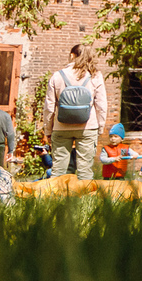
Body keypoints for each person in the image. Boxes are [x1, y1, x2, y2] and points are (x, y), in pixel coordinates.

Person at [43, 44, 106, 180]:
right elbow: (101, 105)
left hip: (61, 127)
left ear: (72, 56)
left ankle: (55, 199)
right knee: (85, 171)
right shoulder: (95, 76)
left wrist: (48, 130)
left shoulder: (57, 76)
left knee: (58, 170)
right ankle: (85, 200)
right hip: (87, 127)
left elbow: (49, 107)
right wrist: (100, 128)